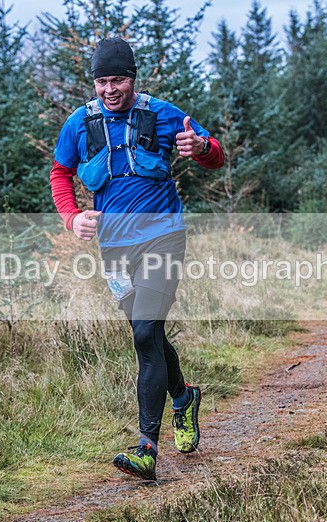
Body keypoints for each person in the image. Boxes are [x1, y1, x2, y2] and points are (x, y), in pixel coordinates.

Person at [49, 37, 225, 481]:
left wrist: (202, 149)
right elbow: (60, 173)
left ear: (133, 78)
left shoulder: (162, 114)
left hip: (164, 237)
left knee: (145, 331)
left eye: (119, 80)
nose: (111, 90)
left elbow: (214, 154)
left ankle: (147, 447)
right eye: (103, 81)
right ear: (95, 82)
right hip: (114, 247)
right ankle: (183, 396)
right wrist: (72, 219)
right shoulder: (80, 122)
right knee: (148, 335)